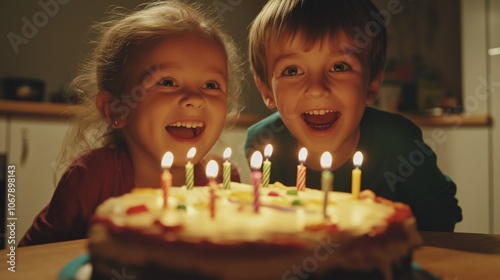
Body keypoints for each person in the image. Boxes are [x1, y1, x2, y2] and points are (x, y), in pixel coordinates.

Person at [20, 0, 244, 246]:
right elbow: (25, 261)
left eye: (211, 85)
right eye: (167, 82)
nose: (194, 99)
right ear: (116, 109)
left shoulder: (223, 180)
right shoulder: (92, 178)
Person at [244, 0, 462, 231]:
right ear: (267, 91)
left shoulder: (400, 144)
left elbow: (442, 216)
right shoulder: (264, 141)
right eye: (292, 70)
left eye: (339, 67)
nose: (317, 88)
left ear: (372, 84)